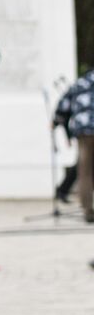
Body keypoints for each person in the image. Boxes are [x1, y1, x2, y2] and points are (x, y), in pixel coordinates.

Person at [53, 70, 94, 221]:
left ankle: (88, 211)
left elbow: (63, 105)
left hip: (84, 131)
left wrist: (56, 121)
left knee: (85, 172)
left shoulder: (81, 82)